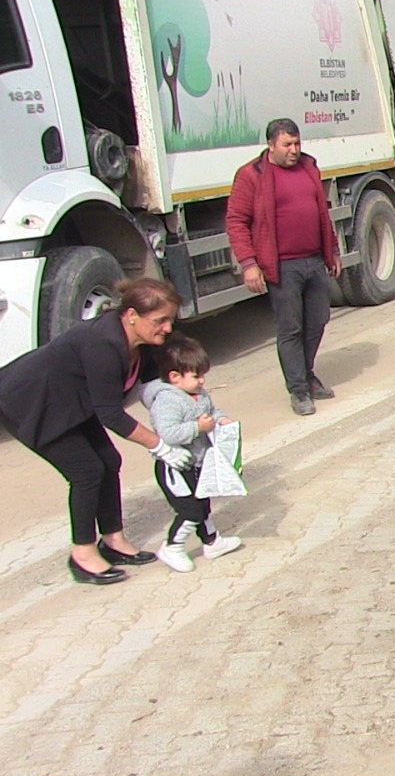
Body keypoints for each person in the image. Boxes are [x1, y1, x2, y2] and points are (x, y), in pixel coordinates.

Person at [0, 278, 192, 586]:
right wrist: (161, 446)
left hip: (70, 400)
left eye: (170, 319)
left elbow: (152, 383)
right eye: (160, 321)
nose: (167, 327)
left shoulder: (139, 342)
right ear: (132, 315)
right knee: (87, 471)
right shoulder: (104, 344)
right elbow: (110, 414)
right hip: (31, 402)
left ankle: (113, 541)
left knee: (109, 461)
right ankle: (83, 554)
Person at [225, 117, 342, 417]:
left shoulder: (309, 167)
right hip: (282, 265)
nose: (294, 150)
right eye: (287, 145)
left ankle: (307, 373)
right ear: (271, 145)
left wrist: (333, 250)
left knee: (318, 319)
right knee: (291, 327)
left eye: (297, 143)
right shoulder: (252, 175)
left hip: (314, 259)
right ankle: (299, 390)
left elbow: (322, 213)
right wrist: (249, 263)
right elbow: (236, 221)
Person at [140, 333, 243, 572]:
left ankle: (212, 541)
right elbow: (167, 433)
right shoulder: (167, 401)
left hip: (198, 462)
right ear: (175, 377)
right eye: (196, 376)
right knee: (190, 509)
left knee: (203, 502)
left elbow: (211, 411)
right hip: (175, 466)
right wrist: (198, 427)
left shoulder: (200, 394)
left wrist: (221, 420)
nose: (202, 381)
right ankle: (173, 546)